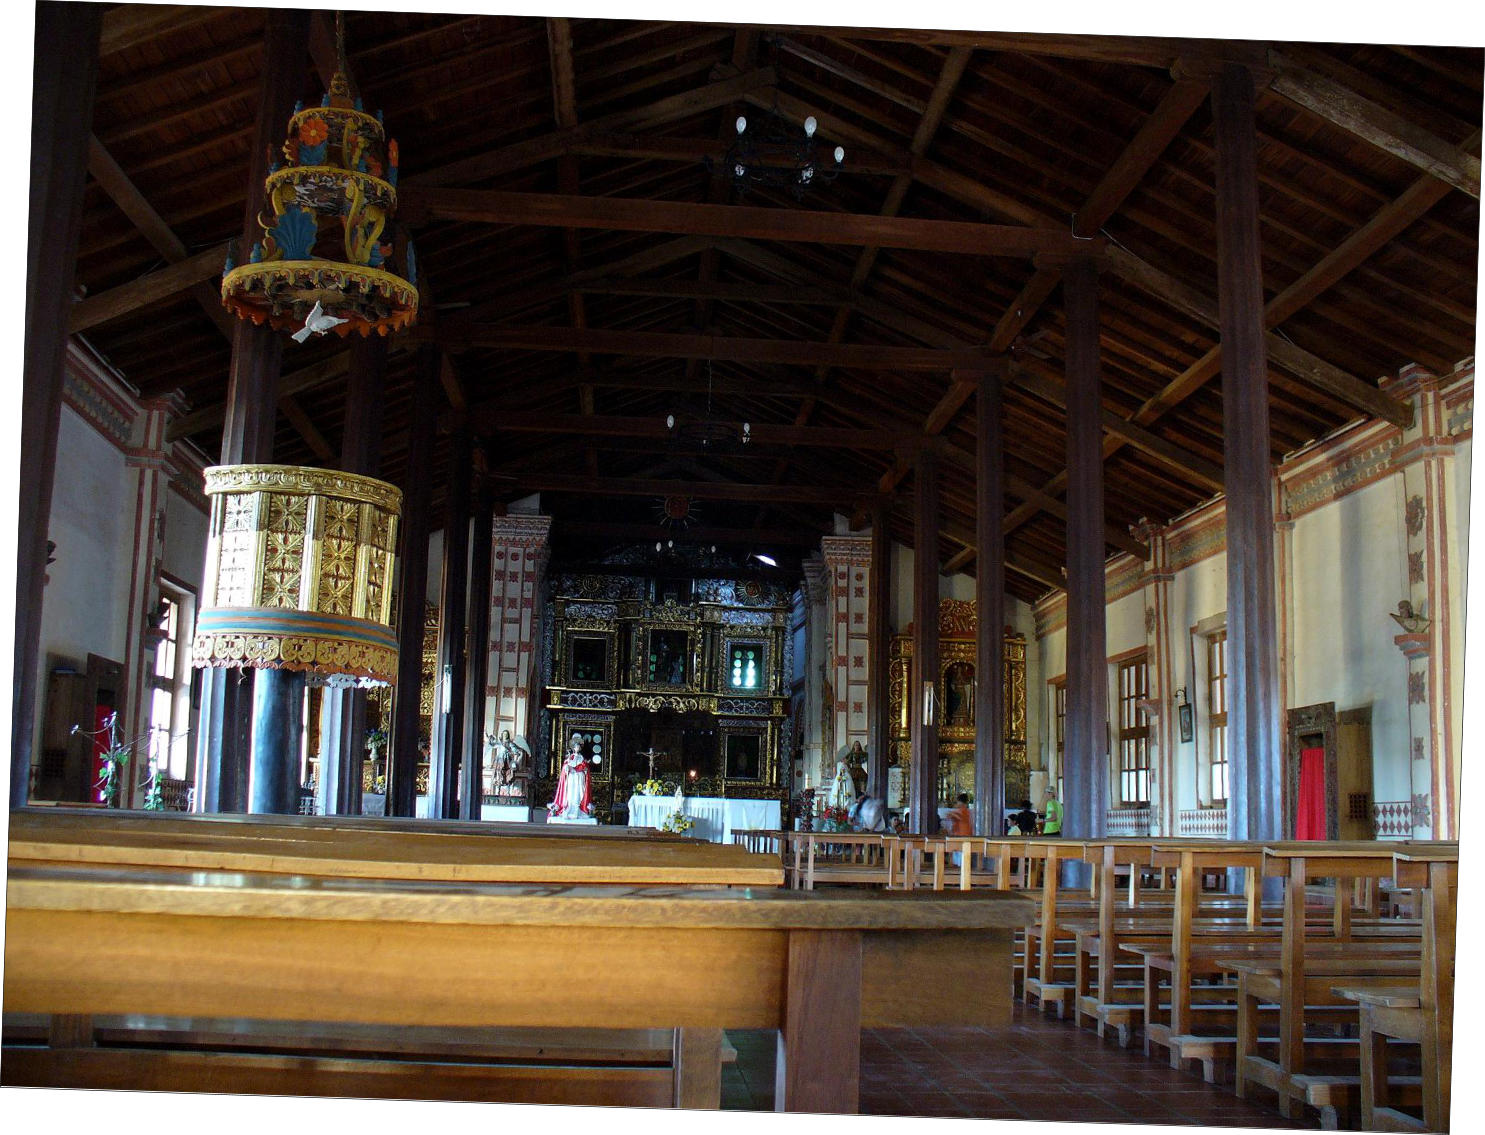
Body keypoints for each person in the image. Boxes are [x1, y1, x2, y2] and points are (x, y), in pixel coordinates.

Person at [547, 734, 592, 819]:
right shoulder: (570, 758)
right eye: (576, 747)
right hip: (572, 778)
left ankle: (579, 809)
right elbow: (566, 767)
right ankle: (569, 807)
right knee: (571, 794)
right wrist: (568, 768)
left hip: (579, 779)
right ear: (573, 748)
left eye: (579, 747)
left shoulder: (581, 758)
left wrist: (581, 770)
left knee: (578, 794)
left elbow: (584, 767)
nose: (577, 748)